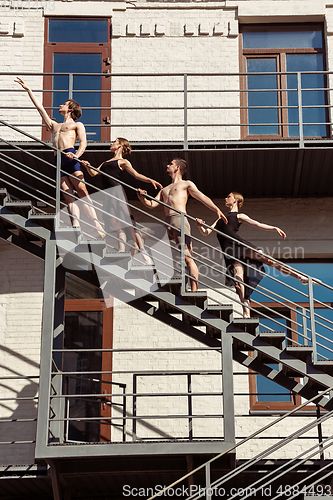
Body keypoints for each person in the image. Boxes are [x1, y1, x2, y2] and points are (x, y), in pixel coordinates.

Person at [15, 77, 104, 236]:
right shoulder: (54, 125)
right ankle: (75, 224)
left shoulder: (77, 124)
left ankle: (97, 224)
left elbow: (84, 142)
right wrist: (28, 89)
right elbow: (40, 108)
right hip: (58, 160)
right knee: (68, 195)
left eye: (64, 103)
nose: (60, 105)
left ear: (70, 108)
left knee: (82, 190)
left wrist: (76, 155)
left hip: (71, 156)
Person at [196, 192, 308, 318]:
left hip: (240, 245)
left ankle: (299, 276)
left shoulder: (239, 215)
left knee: (269, 261)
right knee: (238, 281)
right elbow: (206, 232)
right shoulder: (220, 218)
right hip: (229, 252)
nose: (225, 198)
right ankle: (246, 313)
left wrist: (274, 228)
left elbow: (257, 224)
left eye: (228, 196)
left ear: (235, 200)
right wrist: (200, 225)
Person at [137, 158, 226, 292]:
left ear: (177, 168)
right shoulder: (164, 190)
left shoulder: (186, 184)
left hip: (180, 220)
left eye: (171, 164)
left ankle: (194, 290)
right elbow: (152, 204)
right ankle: (146, 260)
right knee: (140, 233)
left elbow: (202, 197)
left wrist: (216, 209)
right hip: (167, 224)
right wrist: (142, 197)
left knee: (187, 256)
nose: (167, 165)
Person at [82, 138, 162, 258]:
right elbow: (93, 173)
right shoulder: (105, 162)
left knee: (129, 222)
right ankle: (121, 250)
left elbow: (136, 175)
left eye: (114, 141)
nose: (111, 143)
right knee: (116, 224)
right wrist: (87, 166)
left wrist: (150, 180)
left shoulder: (123, 161)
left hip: (116, 192)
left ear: (120, 145)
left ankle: (142, 250)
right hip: (107, 194)